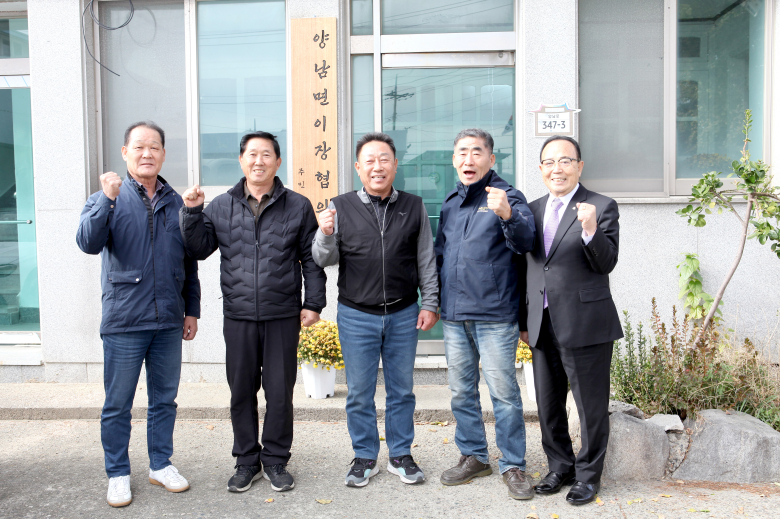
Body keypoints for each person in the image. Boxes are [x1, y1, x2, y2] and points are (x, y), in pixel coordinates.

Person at [179, 131, 325, 494]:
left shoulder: (298, 205)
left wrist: (313, 303)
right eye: (252, 154)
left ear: (278, 162)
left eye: (266, 154)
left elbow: (311, 259)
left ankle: (275, 460)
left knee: (279, 393)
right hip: (239, 314)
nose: (259, 161)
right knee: (241, 391)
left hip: (282, 314)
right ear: (241, 160)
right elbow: (198, 249)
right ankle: (246, 460)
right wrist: (192, 213)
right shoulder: (221, 205)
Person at [77, 121, 201, 508]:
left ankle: (160, 464)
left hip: (168, 320)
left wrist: (192, 310)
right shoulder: (108, 197)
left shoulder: (176, 202)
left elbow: (189, 264)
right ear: (125, 152)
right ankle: (117, 473)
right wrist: (107, 199)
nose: (147, 153)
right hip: (124, 321)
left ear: (163, 154)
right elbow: (87, 242)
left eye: (154, 147)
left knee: (165, 400)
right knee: (118, 403)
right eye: (139, 147)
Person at [311, 132, 439, 488]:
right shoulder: (340, 206)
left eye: (384, 160)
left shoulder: (413, 206)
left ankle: (400, 455)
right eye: (369, 160)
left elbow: (426, 259)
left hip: (403, 313)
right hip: (356, 315)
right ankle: (365, 456)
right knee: (359, 393)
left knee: (402, 391)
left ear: (395, 165)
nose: (377, 167)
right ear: (358, 167)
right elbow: (322, 258)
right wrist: (324, 232)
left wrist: (430, 302)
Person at [435, 128, 536, 500]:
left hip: (495, 315)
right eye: (462, 152)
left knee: (504, 394)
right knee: (461, 391)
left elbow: (526, 242)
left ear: (491, 159)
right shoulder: (451, 202)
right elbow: (440, 255)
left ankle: (513, 464)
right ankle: (474, 455)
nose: (469, 159)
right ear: (454, 160)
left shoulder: (507, 196)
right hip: (454, 315)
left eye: (477, 152)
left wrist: (507, 214)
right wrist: (434, 302)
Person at [523, 135, 622, 506]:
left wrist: (591, 229)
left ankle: (588, 476)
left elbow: (606, 263)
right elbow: (527, 269)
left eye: (565, 161)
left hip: (586, 322)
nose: (557, 169)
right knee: (548, 404)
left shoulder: (600, 205)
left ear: (579, 166)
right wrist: (523, 320)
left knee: (589, 406)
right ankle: (559, 466)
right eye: (550, 162)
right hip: (541, 320)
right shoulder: (531, 210)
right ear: (541, 169)